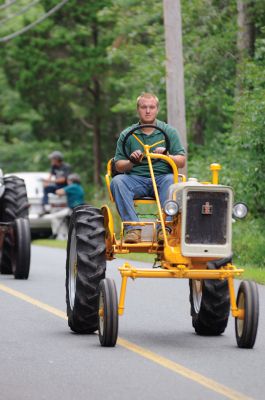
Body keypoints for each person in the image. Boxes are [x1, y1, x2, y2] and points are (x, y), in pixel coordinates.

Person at [110, 92, 186, 243]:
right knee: (117, 181)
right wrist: (131, 161)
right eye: (144, 107)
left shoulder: (169, 132)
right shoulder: (127, 134)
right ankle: (133, 229)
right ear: (138, 109)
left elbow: (181, 160)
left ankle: (164, 229)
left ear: (157, 110)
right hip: (135, 179)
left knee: (172, 180)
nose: (148, 111)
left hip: (162, 179)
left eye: (151, 107)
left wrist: (166, 155)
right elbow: (118, 165)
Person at [45, 173, 85, 239]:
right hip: (79, 207)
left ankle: (60, 236)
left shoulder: (72, 186)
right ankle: (65, 235)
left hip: (72, 209)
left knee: (54, 217)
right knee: (62, 218)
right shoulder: (79, 187)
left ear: (70, 180)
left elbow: (58, 192)